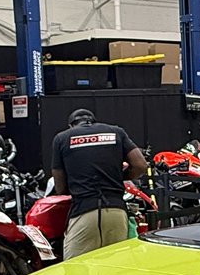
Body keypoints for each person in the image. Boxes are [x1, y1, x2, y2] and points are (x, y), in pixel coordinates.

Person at [52, 108, 147, 258]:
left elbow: (60, 186)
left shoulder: (62, 138)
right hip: (117, 212)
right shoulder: (116, 132)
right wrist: (116, 178)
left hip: (85, 211)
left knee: (75, 270)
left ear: (71, 125)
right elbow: (141, 165)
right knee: (116, 269)